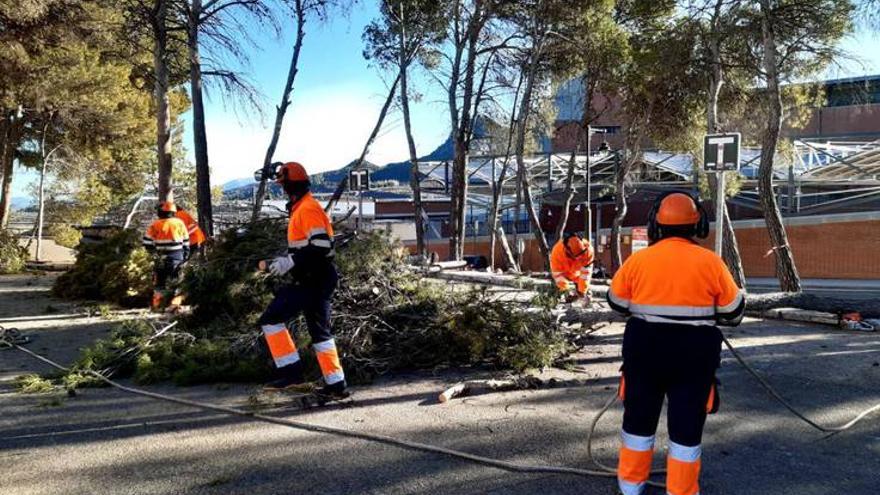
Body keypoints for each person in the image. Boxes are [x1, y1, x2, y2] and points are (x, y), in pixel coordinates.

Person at [606, 191, 744, 495]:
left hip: (644, 352)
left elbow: (616, 302)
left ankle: (630, 486)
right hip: (694, 356)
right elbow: (734, 312)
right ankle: (680, 490)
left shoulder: (638, 260)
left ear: (656, 223)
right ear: (698, 225)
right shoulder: (711, 262)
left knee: (638, 423)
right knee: (686, 428)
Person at [257, 161, 347, 398]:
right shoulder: (302, 207)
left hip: (313, 280)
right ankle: (336, 385)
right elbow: (310, 247)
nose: (281, 189)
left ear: (290, 186)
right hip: (318, 279)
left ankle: (291, 373)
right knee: (321, 334)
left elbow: (321, 246)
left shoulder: (307, 209)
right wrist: (287, 260)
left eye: (282, 184)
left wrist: (289, 263)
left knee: (271, 319)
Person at [142, 201, 190, 311]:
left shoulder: (155, 224)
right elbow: (186, 241)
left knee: (159, 283)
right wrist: (186, 255)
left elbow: (147, 242)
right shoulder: (179, 223)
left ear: (161, 212)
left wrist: (153, 253)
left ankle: (158, 306)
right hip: (177, 257)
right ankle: (174, 305)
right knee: (177, 282)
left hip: (160, 257)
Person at [550, 232, 594, 303]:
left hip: (578, 275)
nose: (580, 258)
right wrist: (565, 290)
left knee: (584, 294)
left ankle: (585, 293)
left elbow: (586, 273)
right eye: (577, 256)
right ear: (567, 250)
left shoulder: (588, 251)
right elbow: (558, 274)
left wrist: (582, 291)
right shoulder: (557, 252)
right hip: (564, 274)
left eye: (581, 255)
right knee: (565, 295)